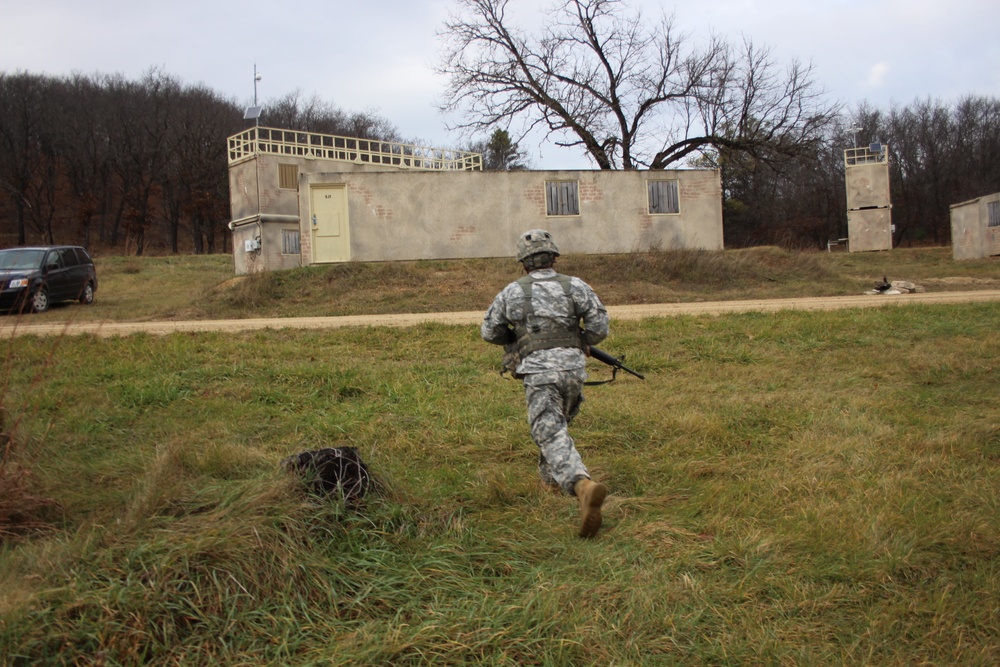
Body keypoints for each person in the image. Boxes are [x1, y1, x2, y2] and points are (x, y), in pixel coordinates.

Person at [481, 229, 610, 538]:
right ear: (554, 257)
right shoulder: (576, 286)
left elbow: (489, 331)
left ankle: (581, 484)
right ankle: (549, 484)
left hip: (538, 372)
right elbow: (599, 327)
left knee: (548, 429)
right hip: (573, 370)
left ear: (524, 263)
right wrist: (581, 341)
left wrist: (515, 338)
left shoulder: (512, 292)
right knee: (555, 428)